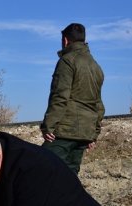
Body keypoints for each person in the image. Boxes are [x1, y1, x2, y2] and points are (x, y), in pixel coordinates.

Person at [40, 22, 105, 174]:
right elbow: (98, 104)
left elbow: (60, 96)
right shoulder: (96, 66)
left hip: (65, 130)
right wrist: (93, 134)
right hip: (85, 132)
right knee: (70, 175)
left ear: (65, 40)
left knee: (42, 166)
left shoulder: (67, 61)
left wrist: (48, 125)